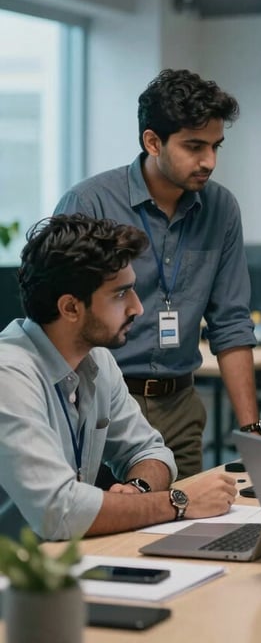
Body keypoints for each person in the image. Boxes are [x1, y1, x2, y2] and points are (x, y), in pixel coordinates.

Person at [55, 69, 261, 479]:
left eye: (216, 146)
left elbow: (231, 324)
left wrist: (252, 433)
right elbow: (60, 322)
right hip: (100, 405)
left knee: (188, 532)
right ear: (153, 141)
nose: (209, 161)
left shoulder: (221, 208)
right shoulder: (90, 202)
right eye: (194, 146)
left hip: (180, 405)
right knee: (101, 536)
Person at [0, 215, 236, 541]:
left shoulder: (95, 358)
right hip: (17, 575)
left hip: (64, 564)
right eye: (121, 294)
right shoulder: (8, 375)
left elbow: (152, 452)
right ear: (70, 308)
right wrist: (178, 502)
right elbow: (59, 511)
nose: (137, 308)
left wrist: (138, 489)